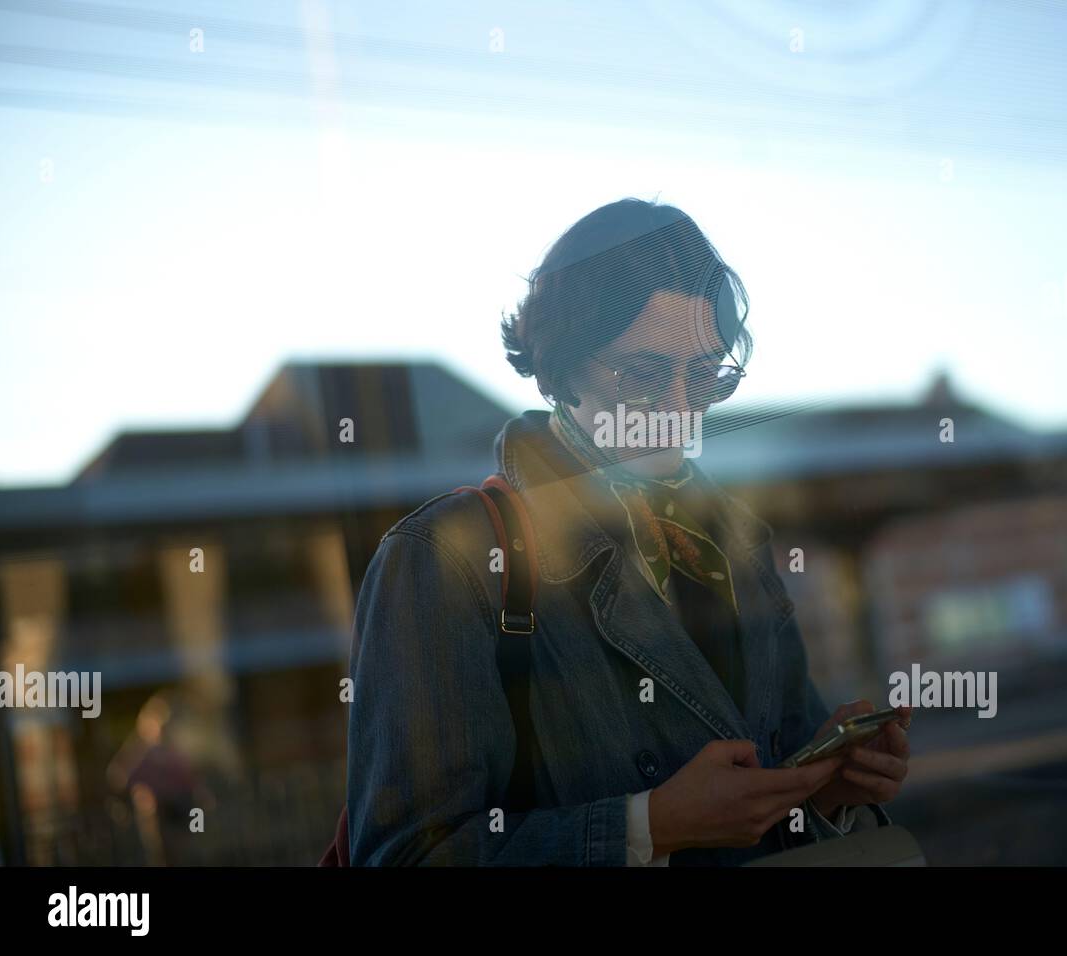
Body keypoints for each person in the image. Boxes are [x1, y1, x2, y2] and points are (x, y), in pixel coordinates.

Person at [346, 197, 911, 865]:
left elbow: (770, 786)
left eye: (705, 376)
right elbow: (407, 856)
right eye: (643, 376)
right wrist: (648, 825)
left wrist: (824, 793)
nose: (677, 410)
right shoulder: (446, 559)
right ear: (559, 368)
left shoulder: (734, 544)